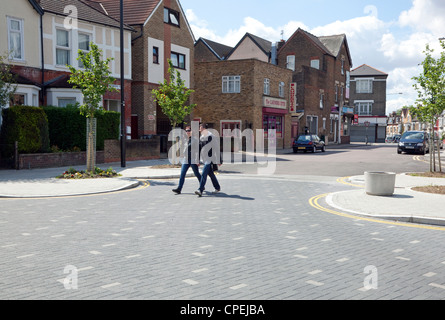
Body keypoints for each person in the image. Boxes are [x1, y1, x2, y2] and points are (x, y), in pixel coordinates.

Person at [172, 126, 201, 194]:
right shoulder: (185, 139)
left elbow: (197, 151)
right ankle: (179, 189)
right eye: (186, 131)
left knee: (196, 173)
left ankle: (202, 185)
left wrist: (197, 160)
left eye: (189, 130)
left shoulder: (195, 140)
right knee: (182, 174)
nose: (187, 132)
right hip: (186, 159)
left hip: (193, 159)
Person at [195, 123, 221, 197]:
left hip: (210, 158)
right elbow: (199, 149)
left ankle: (200, 189)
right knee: (211, 174)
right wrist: (197, 159)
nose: (199, 129)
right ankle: (217, 187)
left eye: (200, 128)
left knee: (204, 173)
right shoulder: (202, 137)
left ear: (204, 129)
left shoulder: (211, 136)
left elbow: (216, 148)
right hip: (204, 158)